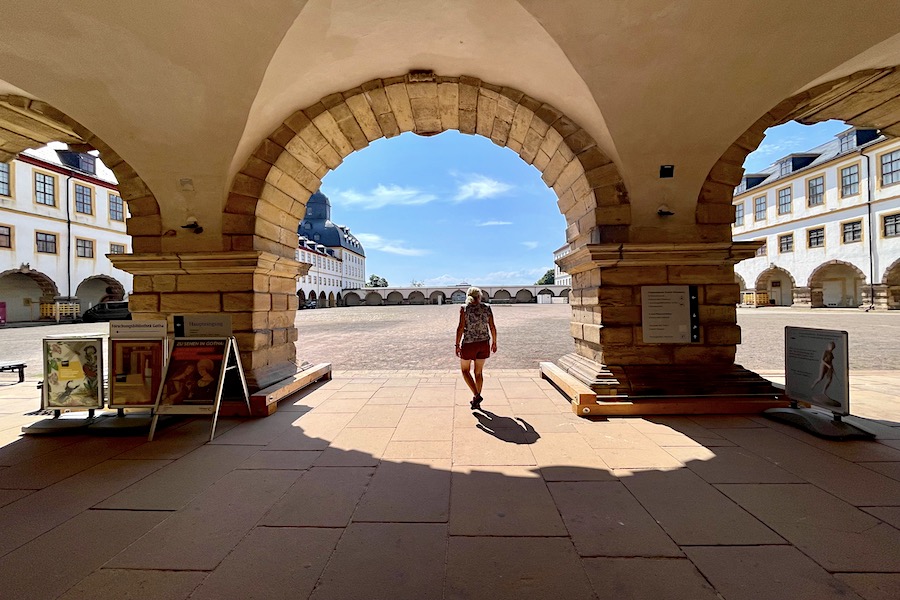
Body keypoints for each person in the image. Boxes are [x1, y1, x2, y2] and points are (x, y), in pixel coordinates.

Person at [455, 286, 498, 410]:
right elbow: (492, 327)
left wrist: (457, 344)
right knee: (478, 373)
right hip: (484, 343)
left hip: (469, 344)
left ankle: (476, 395)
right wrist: (494, 342)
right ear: (479, 296)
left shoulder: (464, 309)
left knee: (465, 370)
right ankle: (476, 400)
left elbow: (460, 328)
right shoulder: (487, 308)